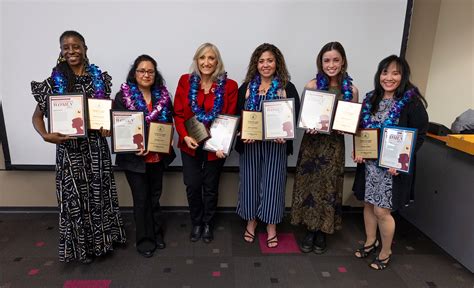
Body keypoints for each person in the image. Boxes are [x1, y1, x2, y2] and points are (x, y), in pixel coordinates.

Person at [31, 30, 126, 264]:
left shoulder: (100, 80)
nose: (71, 51)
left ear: (85, 49)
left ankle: (102, 244)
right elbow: (37, 117)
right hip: (69, 151)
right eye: (66, 47)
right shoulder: (53, 83)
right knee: (75, 199)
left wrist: (109, 127)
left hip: (96, 149)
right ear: (61, 52)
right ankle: (80, 248)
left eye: (76, 46)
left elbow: (108, 114)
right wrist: (45, 135)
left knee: (99, 195)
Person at [352, 55, 428, 270]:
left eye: (395, 73)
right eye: (385, 72)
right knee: (368, 204)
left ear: (403, 76)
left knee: (382, 212)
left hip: (391, 169)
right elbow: (361, 129)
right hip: (369, 166)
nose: (389, 77)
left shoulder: (411, 102)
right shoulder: (370, 99)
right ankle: (370, 241)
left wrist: (402, 161)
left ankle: (385, 251)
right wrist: (358, 151)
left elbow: (419, 135)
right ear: (379, 75)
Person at [290, 42, 359, 254]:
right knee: (310, 185)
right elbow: (305, 118)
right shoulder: (312, 86)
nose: (331, 64)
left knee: (329, 187)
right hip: (312, 144)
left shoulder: (352, 90)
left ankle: (323, 230)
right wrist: (309, 125)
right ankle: (310, 230)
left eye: (335, 60)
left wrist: (346, 128)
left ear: (343, 61)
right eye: (326, 60)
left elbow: (354, 123)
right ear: (321, 62)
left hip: (333, 147)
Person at [235, 43, 300, 248]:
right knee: (250, 184)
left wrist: (286, 134)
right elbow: (237, 117)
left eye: (270, 60)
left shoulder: (287, 87)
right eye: (261, 61)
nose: (265, 65)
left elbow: (294, 117)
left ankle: (271, 225)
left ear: (277, 63)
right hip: (251, 146)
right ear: (256, 64)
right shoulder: (245, 88)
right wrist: (241, 133)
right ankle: (251, 221)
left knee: (273, 185)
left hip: (276, 146)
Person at [173, 43, 238, 243]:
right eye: (202, 58)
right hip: (190, 142)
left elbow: (229, 117)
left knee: (210, 186)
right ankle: (196, 222)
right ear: (196, 60)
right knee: (192, 185)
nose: (206, 62)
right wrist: (184, 136)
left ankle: (208, 223)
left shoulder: (229, 86)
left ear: (217, 62)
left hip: (214, 146)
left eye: (211, 58)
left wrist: (223, 145)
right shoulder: (185, 81)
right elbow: (178, 113)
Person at [114, 55, 175, 258]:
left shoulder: (163, 96)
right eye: (142, 70)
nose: (146, 74)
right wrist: (136, 146)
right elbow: (121, 128)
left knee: (154, 197)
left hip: (157, 157)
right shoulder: (122, 97)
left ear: (155, 74)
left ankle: (156, 233)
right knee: (141, 199)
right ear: (135, 73)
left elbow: (169, 123)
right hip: (135, 159)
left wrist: (168, 139)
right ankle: (145, 239)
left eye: (150, 71)